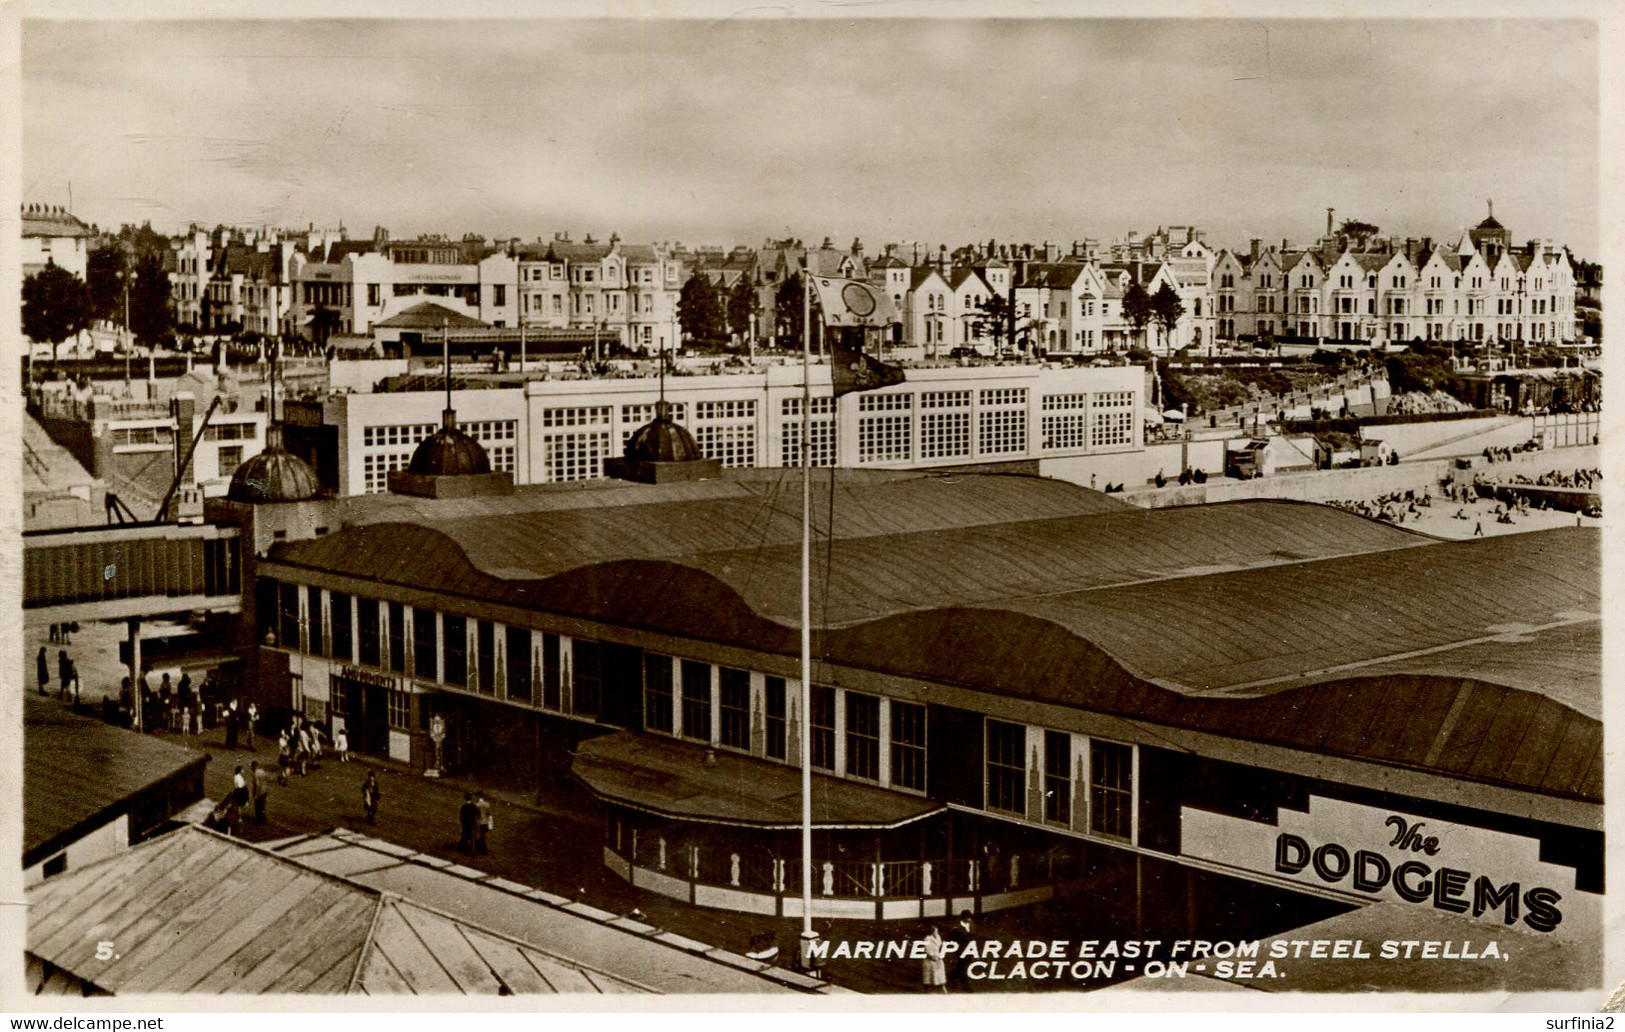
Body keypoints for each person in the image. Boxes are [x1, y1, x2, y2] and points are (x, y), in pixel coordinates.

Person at [946, 911, 974, 991]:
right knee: (964, 967)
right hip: (961, 950)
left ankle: (952, 976)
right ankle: (966, 985)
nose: (969, 919)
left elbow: (972, 935)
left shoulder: (971, 925)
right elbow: (952, 939)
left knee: (962, 966)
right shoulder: (957, 928)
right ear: (964, 918)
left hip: (970, 949)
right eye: (968, 918)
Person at [921, 926, 948, 992]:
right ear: (932, 932)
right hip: (929, 961)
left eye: (937, 931)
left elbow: (940, 946)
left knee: (941, 979)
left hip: (938, 959)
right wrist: (932, 957)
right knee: (928, 980)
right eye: (935, 931)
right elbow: (927, 950)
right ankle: (926, 992)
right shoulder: (927, 939)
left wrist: (939, 956)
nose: (937, 932)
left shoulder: (938, 937)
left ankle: (945, 992)